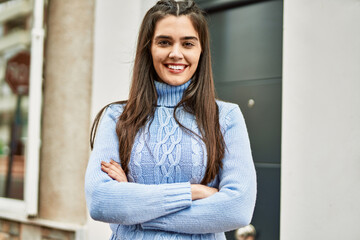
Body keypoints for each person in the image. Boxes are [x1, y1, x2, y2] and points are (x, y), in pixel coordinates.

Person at [85, 0, 257, 239]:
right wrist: (193, 192)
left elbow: (236, 210)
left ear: (201, 50)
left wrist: (134, 208)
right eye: (164, 42)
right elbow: (101, 201)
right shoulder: (117, 117)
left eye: (188, 43)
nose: (176, 53)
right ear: (148, 48)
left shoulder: (225, 118)